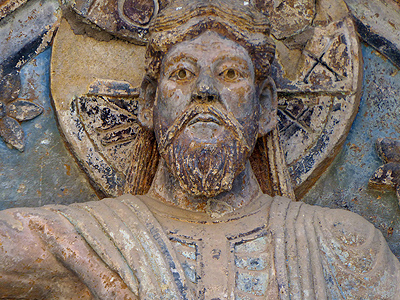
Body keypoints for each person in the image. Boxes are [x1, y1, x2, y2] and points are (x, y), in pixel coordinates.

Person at [0, 0, 399, 299]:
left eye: (229, 73)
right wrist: (94, 266)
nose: (205, 91)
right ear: (147, 104)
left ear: (264, 107)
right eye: (183, 73)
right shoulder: (94, 235)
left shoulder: (338, 244)